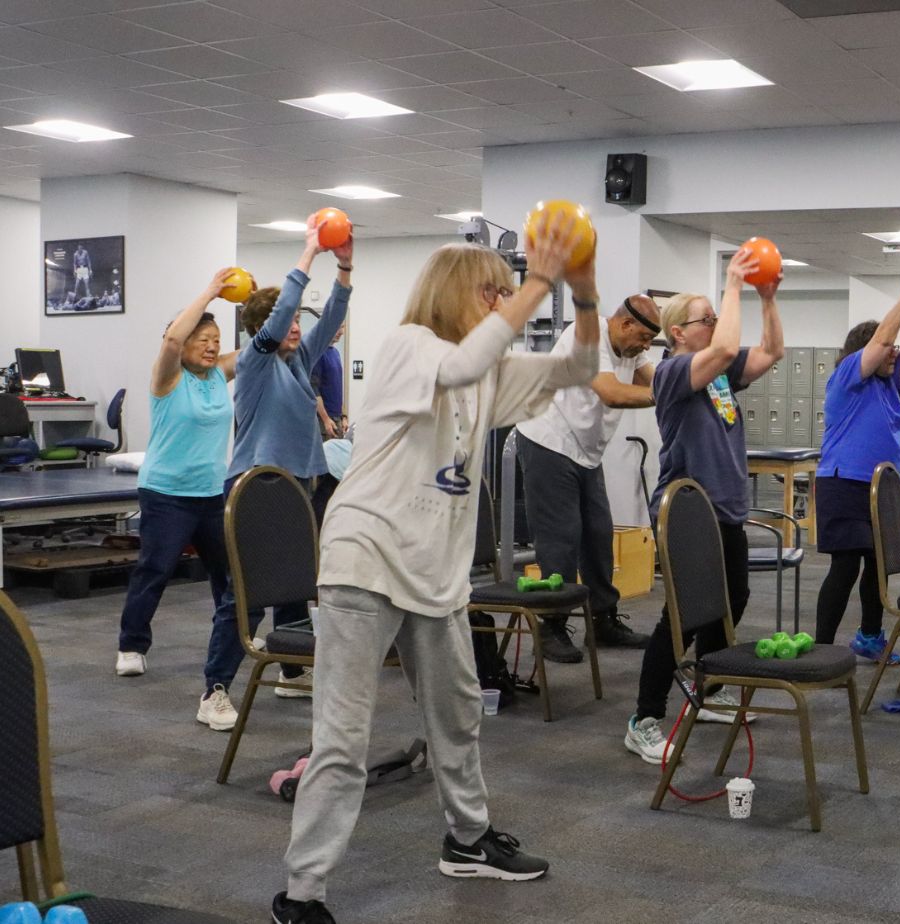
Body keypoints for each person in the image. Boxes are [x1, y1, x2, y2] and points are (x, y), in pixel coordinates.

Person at [271, 214, 599, 924]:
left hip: (437, 574)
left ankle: (469, 839)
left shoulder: (491, 370)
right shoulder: (409, 347)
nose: (503, 306)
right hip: (367, 558)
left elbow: (578, 369)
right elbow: (462, 364)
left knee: (458, 718)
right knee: (343, 740)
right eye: (494, 294)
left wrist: (583, 290)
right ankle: (300, 895)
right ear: (457, 291)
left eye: (508, 294)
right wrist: (538, 277)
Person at [622, 251, 783, 765]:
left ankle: (710, 691)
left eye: (715, 317)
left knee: (732, 597)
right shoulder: (671, 374)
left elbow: (771, 351)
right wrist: (732, 285)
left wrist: (767, 296)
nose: (714, 325)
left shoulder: (719, 375)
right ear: (677, 334)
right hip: (687, 510)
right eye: (705, 319)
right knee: (683, 617)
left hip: (727, 506)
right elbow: (728, 346)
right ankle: (644, 719)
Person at [206, 218, 351, 718]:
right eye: (286, 321)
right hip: (255, 486)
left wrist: (346, 269)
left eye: (294, 323)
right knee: (243, 596)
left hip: (297, 486)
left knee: (295, 583)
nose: (295, 326)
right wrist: (309, 253)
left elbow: (329, 318)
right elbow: (287, 308)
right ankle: (215, 689)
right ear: (264, 328)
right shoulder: (255, 363)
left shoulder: (295, 363)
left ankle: (289, 670)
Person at [114, 270, 240, 726]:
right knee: (156, 568)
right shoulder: (168, 378)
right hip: (166, 493)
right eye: (202, 338)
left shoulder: (217, 375)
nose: (210, 346)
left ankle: (237, 638)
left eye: (215, 339)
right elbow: (169, 343)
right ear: (185, 344)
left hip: (211, 494)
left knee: (229, 577)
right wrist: (209, 292)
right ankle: (131, 644)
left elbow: (258, 349)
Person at [513, 294, 661, 659]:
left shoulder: (629, 348)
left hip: (585, 452)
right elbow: (611, 393)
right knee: (560, 538)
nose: (644, 347)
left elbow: (655, 379)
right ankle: (551, 627)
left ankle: (603, 620)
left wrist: (685, 383)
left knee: (597, 533)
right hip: (548, 440)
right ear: (625, 324)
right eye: (643, 338)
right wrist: (668, 396)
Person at [814, 256, 900, 661]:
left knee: (876, 564)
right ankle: (822, 649)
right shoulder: (849, 376)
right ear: (867, 350)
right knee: (846, 566)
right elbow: (884, 342)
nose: (895, 353)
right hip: (842, 483)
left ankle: (869, 637)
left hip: (879, 487)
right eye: (887, 348)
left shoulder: (889, 382)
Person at [312, 320, 346, 440]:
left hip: (337, 418)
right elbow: (314, 390)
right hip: (324, 421)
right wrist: (326, 420)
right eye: (337, 327)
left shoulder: (335, 353)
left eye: (342, 327)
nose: (341, 332)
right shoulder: (318, 354)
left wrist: (343, 416)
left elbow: (337, 388)